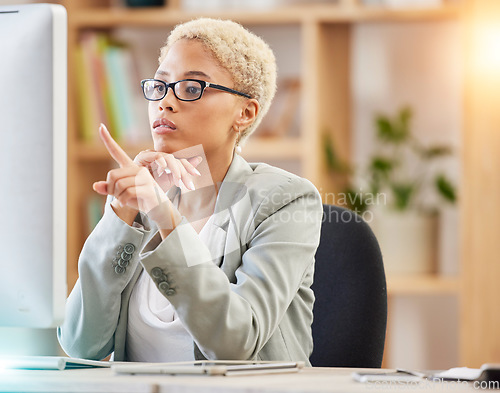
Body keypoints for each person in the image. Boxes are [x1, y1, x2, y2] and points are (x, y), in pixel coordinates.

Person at [58, 18, 323, 365]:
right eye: (161, 85)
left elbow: (236, 343)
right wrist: (123, 213)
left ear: (245, 112)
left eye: (192, 87)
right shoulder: (147, 202)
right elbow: (82, 344)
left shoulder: (286, 200)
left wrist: (165, 217)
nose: (165, 102)